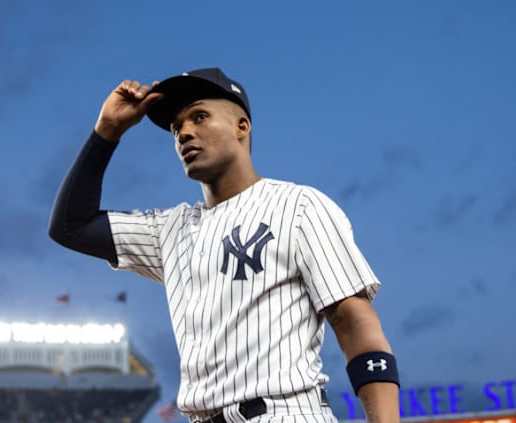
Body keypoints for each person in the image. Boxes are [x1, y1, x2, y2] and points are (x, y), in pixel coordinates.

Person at [49, 68, 400, 423]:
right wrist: (107, 132)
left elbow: (354, 322)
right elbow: (71, 226)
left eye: (200, 116)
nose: (185, 132)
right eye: (176, 128)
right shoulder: (170, 229)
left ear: (241, 126)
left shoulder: (299, 206)